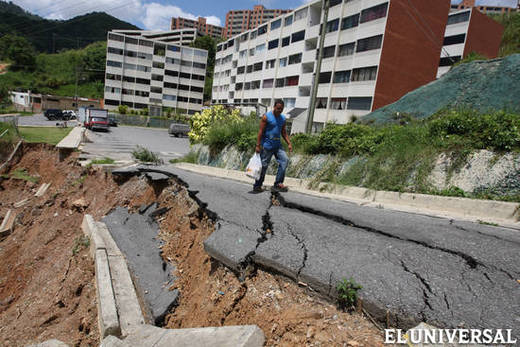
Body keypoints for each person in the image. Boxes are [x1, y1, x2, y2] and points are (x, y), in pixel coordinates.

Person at [253, 99, 292, 193]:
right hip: (267, 146)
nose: (279, 110)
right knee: (264, 166)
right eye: (278, 108)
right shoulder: (266, 117)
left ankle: (278, 183)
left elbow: (283, 132)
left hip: (278, 145)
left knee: (284, 160)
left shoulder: (282, 118)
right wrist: (258, 145)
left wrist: (289, 143)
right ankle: (257, 185)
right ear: (274, 107)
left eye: (281, 109)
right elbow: (260, 132)